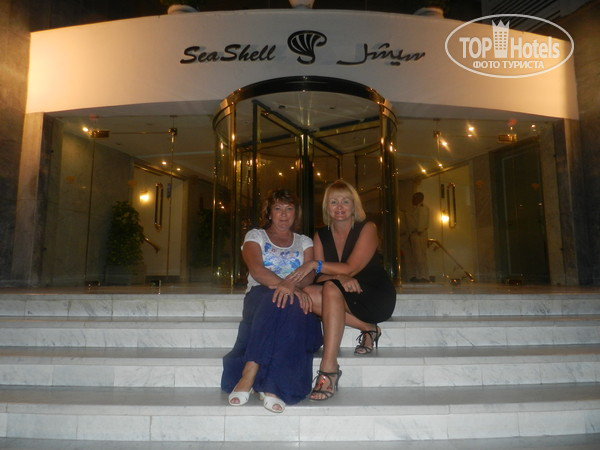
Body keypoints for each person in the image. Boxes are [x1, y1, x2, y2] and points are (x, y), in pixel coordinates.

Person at [287, 180, 396, 401]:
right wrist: (339, 276)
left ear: (354, 206)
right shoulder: (321, 235)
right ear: (327, 207)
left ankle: (328, 367)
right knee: (307, 293)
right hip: (341, 291)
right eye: (333, 202)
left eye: (345, 202)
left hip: (373, 294)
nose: (339, 207)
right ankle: (367, 328)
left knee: (329, 288)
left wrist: (317, 265)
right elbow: (320, 277)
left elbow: (351, 268)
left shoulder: (367, 228)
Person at [221, 189, 323, 413]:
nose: (284, 214)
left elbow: (309, 276)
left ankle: (252, 371)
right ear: (269, 213)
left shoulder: (304, 241)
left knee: (290, 306)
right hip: (260, 298)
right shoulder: (256, 236)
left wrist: (291, 288)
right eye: (278, 208)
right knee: (274, 300)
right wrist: (286, 286)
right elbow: (257, 270)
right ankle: (268, 384)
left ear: (296, 213)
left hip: (295, 299)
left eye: (289, 209)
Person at [407, 192, 430, 282]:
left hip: (419, 234)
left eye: (414, 198)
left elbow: (422, 222)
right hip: (414, 234)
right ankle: (419, 275)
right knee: (416, 257)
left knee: (420, 256)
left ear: (419, 199)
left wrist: (419, 231)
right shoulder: (415, 208)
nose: (412, 200)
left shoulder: (422, 208)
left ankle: (423, 276)